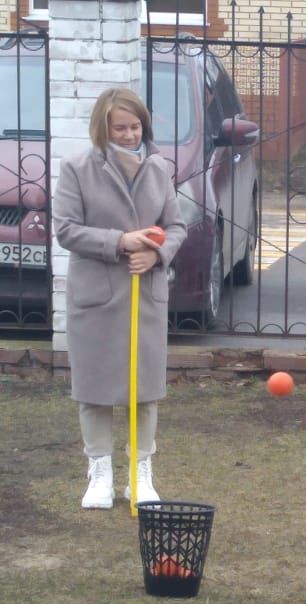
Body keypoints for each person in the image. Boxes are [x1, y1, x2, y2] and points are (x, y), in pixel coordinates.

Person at [53, 87, 186, 510]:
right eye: (120, 128)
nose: (130, 135)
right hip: (96, 293)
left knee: (145, 388)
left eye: (135, 127)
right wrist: (120, 240)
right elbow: (66, 229)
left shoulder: (159, 168)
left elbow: (177, 226)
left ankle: (140, 472)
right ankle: (100, 471)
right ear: (102, 127)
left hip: (144, 293)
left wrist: (155, 252)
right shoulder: (77, 168)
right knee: (94, 387)